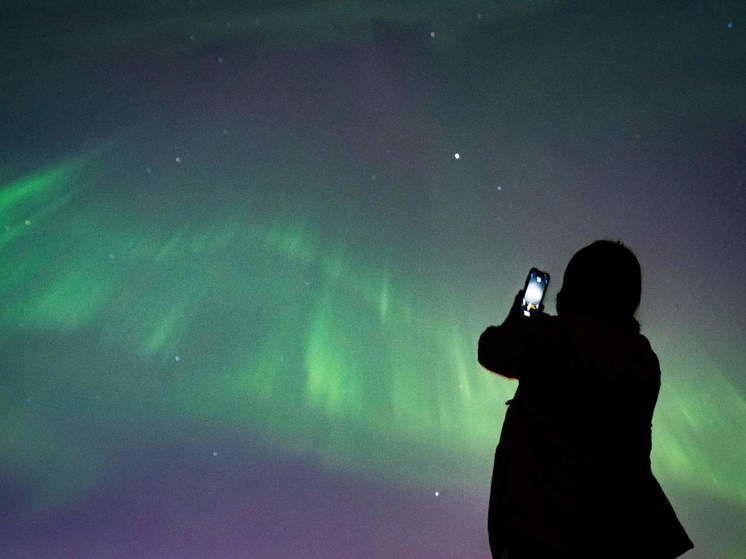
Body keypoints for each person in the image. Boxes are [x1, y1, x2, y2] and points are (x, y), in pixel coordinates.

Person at [478, 240, 694, 559]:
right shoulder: (643, 357)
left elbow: (493, 350)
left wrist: (520, 320)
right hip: (624, 532)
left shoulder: (555, 337)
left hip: (550, 535)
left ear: (572, 288)